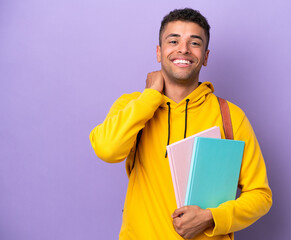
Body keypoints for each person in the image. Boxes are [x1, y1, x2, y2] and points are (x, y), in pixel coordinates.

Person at [89, 8, 272, 240]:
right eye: (173, 40)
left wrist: (211, 217)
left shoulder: (231, 116)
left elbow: (260, 195)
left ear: (205, 57)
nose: (183, 49)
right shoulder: (132, 105)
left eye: (194, 42)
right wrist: (150, 97)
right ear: (159, 52)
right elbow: (107, 149)